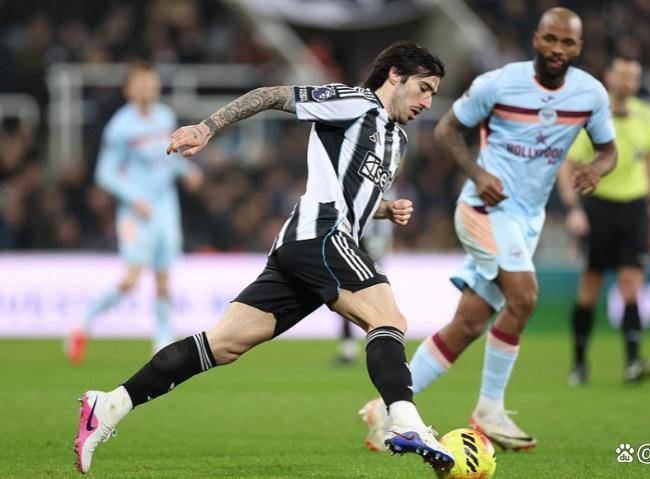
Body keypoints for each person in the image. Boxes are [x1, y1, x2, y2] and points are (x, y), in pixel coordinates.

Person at [72, 41, 454, 474]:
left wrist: (385, 208)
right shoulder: (354, 102)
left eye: (433, 94)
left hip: (307, 247)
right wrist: (207, 128)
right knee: (388, 318)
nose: (427, 102)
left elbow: (350, 191)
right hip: (320, 235)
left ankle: (109, 405)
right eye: (423, 88)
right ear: (395, 76)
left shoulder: (396, 138)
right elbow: (272, 95)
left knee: (222, 345)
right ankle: (403, 422)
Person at [360, 8, 617, 452]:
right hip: (484, 209)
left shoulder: (590, 94)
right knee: (525, 296)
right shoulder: (498, 84)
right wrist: (478, 175)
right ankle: (489, 409)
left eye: (567, 42)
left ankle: (384, 411)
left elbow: (609, 150)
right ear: (536, 39)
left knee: (467, 325)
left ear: (579, 47)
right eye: (550, 39)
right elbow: (446, 131)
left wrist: (597, 168)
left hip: (527, 220)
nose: (557, 49)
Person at [65, 63, 202, 364]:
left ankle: (162, 340)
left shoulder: (165, 116)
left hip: (165, 206)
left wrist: (187, 171)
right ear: (129, 90)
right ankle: (82, 325)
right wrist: (134, 197)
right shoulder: (120, 127)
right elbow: (104, 173)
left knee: (164, 278)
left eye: (151, 83)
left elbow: (168, 158)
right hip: (136, 212)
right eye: (141, 84)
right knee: (131, 279)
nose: (147, 89)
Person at [558, 56, 650, 386]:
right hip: (598, 206)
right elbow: (568, 164)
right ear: (609, 77)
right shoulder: (591, 116)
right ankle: (579, 365)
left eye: (635, 76)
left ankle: (633, 362)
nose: (630, 82)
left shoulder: (648, 115)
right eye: (624, 75)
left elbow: (648, 160)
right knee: (590, 287)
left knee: (631, 284)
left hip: (634, 207)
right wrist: (573, 208)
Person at [335, 219, 394, 365]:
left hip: (359, 263)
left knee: (347, 304)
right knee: (376, 310)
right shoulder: (384, 218)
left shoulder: (362, 213)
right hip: (371, 264)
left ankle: (351, 350)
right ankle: (382, 351)